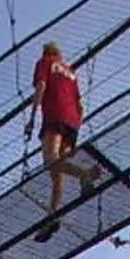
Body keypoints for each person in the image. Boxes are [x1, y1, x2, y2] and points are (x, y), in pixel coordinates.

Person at [29, 41, 96, 232]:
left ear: (46, 52)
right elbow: (80, 105)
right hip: (72, 122)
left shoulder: (45, 62)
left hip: (55, 116)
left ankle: (84, 174)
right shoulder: (70, 72)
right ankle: (53, 214)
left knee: (50, 161)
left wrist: (32, 117)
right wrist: (76, 128)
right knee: (58, 171)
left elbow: (41, 86)